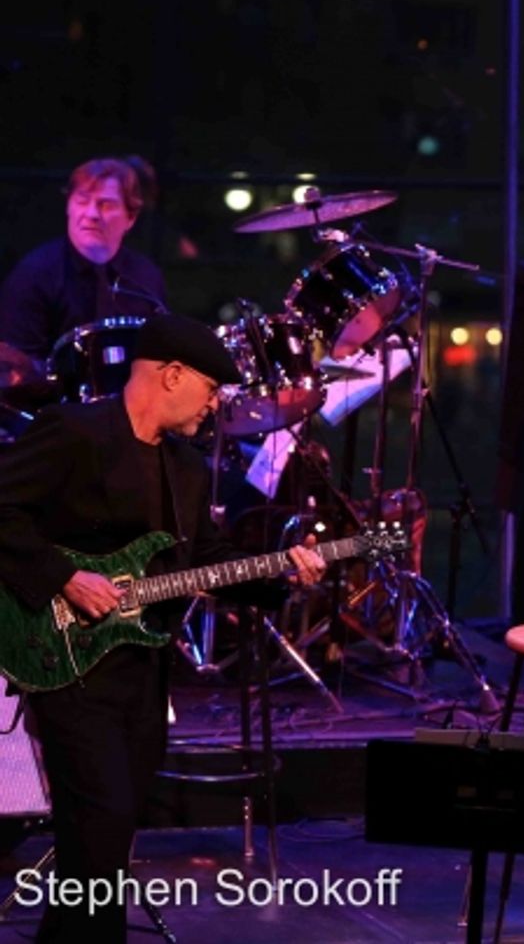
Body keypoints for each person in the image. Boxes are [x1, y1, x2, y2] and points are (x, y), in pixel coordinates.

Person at [0, 314, 325, 943]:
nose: (216, 405)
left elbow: (202, 562)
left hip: (142, 667)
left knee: (106, 838)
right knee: (101, 819)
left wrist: (282, 573)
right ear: (171, 375)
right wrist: (64, 576)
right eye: (210, 389)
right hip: (62, 654)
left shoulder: (186, 466)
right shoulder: (74, 432)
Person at [0, 156, 168, 365]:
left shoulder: (146, 278)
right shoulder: (33, 275)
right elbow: (17, 366)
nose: (91, 214)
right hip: (51, 396)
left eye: (106, 205)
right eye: (82, 200)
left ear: (131, 217)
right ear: (68, 207)